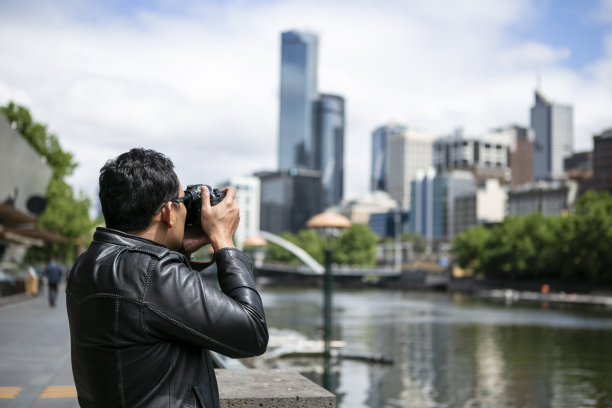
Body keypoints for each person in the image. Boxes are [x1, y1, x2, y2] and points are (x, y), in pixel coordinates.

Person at [65, 148, 268, 408]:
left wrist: (178, 248)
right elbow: (252, 333)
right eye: (182, 202)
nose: (186, 210)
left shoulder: (88, 263)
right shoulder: (153, 273)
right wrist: (224, 243)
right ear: (167, 214)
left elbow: (146, 308)